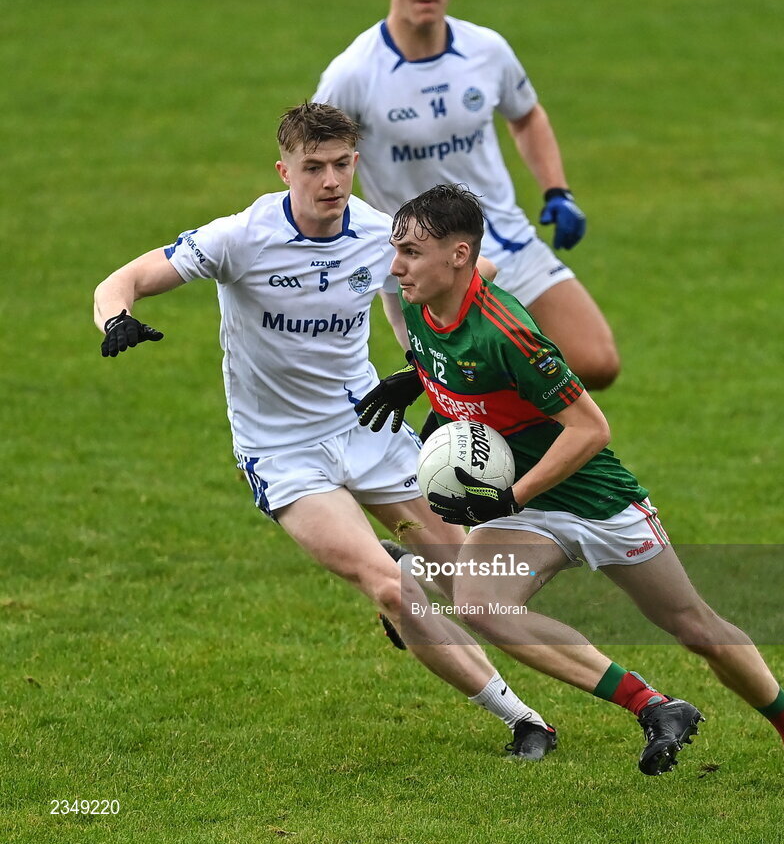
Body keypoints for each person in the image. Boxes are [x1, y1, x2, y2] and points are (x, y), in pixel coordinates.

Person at [92, 102, 558, 761]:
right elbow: (126, 278)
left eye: (341, 165)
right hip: (283, 454)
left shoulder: (378, 235)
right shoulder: (239, 237)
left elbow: (471, 274)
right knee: (393, 590)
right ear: (285, 171)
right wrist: (116, 319)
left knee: (477, 584)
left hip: (368, 427)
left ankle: (636, 698)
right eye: (313, 167)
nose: (330, 181)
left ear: (354, 164)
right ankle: (524, 720)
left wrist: (424, 370)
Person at [357, 182, 784, 789]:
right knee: (483, 605)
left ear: (455, 255)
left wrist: (510, 496)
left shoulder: (511, 337)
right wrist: (415, 375)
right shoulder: (422, 302)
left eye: (411, 251)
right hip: (525, 506)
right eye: (397, 249)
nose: (397, 265)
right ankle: (655, 706)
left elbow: (591, 428)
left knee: (695, 627)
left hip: (593, 498)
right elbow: (475, 285)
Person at [312, 0, 619, 394]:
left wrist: (557, 190)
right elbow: (319, 158)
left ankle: (493, 439)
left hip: (507, 238)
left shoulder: (486, 50)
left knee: (597, 362)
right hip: (433, 260)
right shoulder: (353, 74)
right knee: (497, 386)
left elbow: (526, 114)